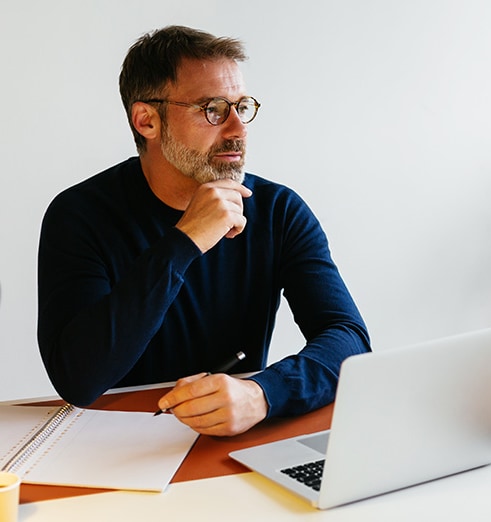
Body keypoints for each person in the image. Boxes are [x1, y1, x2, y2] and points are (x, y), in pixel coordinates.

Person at [37, 25, 370, 437]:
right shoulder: (78, 216)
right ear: (147, 121)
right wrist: (183, 241)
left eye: (241, 106)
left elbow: (348, 338)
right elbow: (78, 380)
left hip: (235, 440)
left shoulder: (278, 210)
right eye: (213, 109)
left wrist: (262, 394)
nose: (238, 128)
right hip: (116, 445)